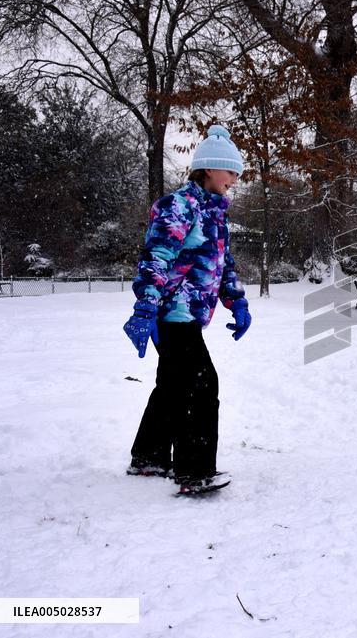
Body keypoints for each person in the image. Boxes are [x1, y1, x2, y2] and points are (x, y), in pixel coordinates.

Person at [122, 125, 251, 496]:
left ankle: (149, 456)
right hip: (171, 312)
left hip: (191, 313)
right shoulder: (178, 206)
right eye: (231, 171)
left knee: (173, 385)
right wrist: (146, 308)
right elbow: (156, 257)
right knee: (200, 384)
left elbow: (223, 265)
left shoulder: (216, 215)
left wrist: (237, 301)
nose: (235, 179)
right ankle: (193, 471)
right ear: (209, 169)